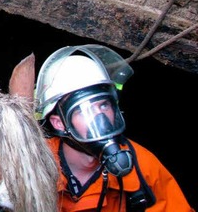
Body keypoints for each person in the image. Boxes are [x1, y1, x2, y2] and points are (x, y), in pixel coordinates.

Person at [34, 44, 194, 212]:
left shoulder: (142, 167)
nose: (99, 118)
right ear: (59, 122)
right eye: (84, 111)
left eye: (104, 106)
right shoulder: (33, 161)